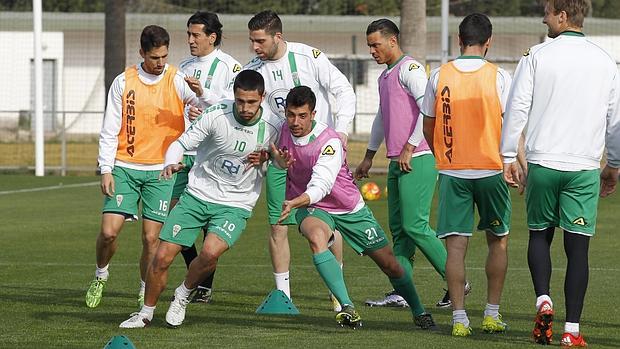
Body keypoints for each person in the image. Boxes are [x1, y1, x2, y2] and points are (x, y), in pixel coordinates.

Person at [119, 70, 281, 328]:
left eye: (251, 102)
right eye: (240, 101)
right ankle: (145, 313)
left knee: (210, 252)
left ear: (262, 97)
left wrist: (271, 159)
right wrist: (172, 162)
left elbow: (282, 159)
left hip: (235, 204)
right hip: (197, 196)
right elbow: (180, 143)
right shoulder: (217, 114)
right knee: (161, 257)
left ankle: (182, 294)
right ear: (235, 96)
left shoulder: (275, 126)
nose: (245, 107)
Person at [500, 0, 620, 346]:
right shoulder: (604, 61)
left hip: (542, 163)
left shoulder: (536, 55)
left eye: (548, 12)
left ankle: (543, 299)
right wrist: (612, 164)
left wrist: (509, 154)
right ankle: (572, 332)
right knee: (578, 251)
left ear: (563, 16)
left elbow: (517, 106)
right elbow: (615, 119)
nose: (543, 18)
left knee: (540, 236)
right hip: (583, 167)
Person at [271, 85, 437, 330]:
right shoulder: (282, 129)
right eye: (291, 115)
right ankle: (347, 308)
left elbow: (322, 184)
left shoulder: (329, 142)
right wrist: (273, 159)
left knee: (390, 264)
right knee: (317, 238)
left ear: (314, 114)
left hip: (346, 206)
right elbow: (266, 145)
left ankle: (419, 311)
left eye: (302, 116)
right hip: (314, 207)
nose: (295, 121)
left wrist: (295, 201)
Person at [86, 25, 207, 309]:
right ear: (142, 53)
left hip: (160, 171)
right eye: (155, 58)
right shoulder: (123, 82)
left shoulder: (177, 79)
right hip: (124, 167)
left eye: (165, 56)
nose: (161, 63)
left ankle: (144, 289)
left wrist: (197, 106)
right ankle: (101, 274)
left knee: (152, 239)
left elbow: (203, 107)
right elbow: (109, 128)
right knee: (108, 232)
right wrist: (106, 168)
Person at [243, 10, 356, 310]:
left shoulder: (309, 57)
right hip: (280, 161)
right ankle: (283, 297)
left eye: (260, 41)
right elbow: (245, 109)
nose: (254, 47)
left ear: (277, 36)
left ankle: (337, 291)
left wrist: (341, 132)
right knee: (278, 224)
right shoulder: (253, 69)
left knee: (329, 228)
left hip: (319, 158)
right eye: (252, 41)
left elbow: (343, 90)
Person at [355, 18, 469, 309]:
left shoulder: (411, 69)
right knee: (401, 230)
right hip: (397, 160)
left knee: (415, 225)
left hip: (417, 157)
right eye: (369, 46)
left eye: (375, 44)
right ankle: (401, 291)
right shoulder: (385, 76)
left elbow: (428, 109)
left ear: (392, 41)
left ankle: (458, 281)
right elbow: (382, 117)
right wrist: (369, 155)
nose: (372, 51)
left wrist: (408, 146)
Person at [421, 13, 514, 336]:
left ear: (458, 41)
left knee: (455, 249)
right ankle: (491, 313)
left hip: (453, 171)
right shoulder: (499, 76)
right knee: (498, 242)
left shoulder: (439, 75)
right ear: (488, 43)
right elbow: (512, 124)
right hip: (492, 169)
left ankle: (460, 319)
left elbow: (428, 125)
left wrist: (444, 156)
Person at [174, 11, 242, 304]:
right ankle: (196, 275)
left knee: (207, 223)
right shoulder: (183, 66)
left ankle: (203, 284)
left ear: (212, 37)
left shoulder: (231, 67)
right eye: (188, 34)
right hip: (184, 151)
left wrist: (207, 108)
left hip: (211, 153)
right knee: (173, 216)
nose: (190, 40)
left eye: (195, 35)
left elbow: (237, 106)